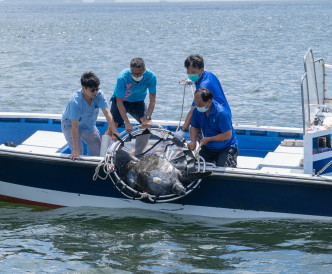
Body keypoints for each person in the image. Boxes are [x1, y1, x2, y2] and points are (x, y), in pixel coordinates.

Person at [61, 72, 119, 160]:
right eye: (92, 90)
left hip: (88, 125)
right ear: (83, 88)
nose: (95, 92)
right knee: (78, 153)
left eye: (97, 89)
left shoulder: (99, 95)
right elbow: (75, 126)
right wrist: (75, 149)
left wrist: (115, 131)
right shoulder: (75, 101)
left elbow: (107, 113)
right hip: (70, 125)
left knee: (98, 150)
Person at [175, 54, 231, 138]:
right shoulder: (208, 74)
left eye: (193, 72)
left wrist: (183, 130)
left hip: (218, 116)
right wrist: (193, 80)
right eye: (188, 72)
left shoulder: (204, 86)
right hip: (220, 110)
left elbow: (193, 109)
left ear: (201, 70)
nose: (190, 74)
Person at [105, 57, 157, 135]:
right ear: (130, 70)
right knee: (113, 126)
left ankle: (140, 147)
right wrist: (127, 122)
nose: (136, 76)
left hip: (138, 102)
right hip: (121, 101)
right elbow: (119, 102)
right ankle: (104, 147)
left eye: (139, 73)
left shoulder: (151, 77)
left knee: (146, 124)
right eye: (133, 73)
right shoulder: (122, 77)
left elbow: (152, 100)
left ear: (144, 70)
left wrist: (148, 117)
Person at [188, 88, 238, 167]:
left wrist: (208, 139)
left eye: (200, 104)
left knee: (223, 167)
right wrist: (193, 141)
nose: (197, 107)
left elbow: (228, 135)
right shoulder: (196, 110)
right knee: (195, 166)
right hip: (209, 148)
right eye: (196, 104)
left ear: (209, 102)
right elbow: (194, 127)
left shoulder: (221, 114)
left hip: (226, 147)